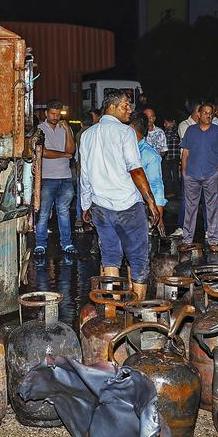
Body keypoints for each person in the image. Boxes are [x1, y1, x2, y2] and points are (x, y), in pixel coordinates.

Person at [79, 89, 164, 300]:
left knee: (110, 257)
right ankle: (136, 310)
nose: (130, 110)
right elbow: (135, 169)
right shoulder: (126, 133)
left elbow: (85, 173)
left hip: (100, 206)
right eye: (125, 105)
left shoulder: (87, 135)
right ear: (112, 107)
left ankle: (112, 310)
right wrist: (151, 203)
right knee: (137, 258)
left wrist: (85, 204)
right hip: (128, 207)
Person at [173, 102, 218, 253]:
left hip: (211, 175)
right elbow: (185, 153)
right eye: (205, 113)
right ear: (199, 114)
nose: (208, 115)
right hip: (191, 175)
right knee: (190, 209)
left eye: (211, 113)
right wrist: (184, 172)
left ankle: (213, 240)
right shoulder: (191, 131)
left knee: (211, 209)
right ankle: (187, 240)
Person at [32, 99, 77, 256]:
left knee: (64, 211)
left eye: (58, 114)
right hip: (47, 178)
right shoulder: (39, 129)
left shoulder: (64, 128)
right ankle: (40, 244)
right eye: (52, 114)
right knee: (43, 212)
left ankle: (67, 243)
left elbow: (71, 150)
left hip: (65, 177)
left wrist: (67, 130)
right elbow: (43, 152)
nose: (55, 117)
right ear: (46, 113)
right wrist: (64, 154)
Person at [131, 111, 166, 218]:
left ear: (131, 127)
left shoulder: (149, 155)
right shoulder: (120, 148)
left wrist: (158, 215)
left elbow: (156, 185)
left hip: (136, 207)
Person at [162, 115, 181, 196]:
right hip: (166, 157)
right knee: (167, 175)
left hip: (175, 157)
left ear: (172, 123)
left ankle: (178, 192)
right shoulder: (163, 132)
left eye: (167, 123)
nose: (165, 125)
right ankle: (170, 192)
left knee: (176, 175)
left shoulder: (177, 132)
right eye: (165, 123)